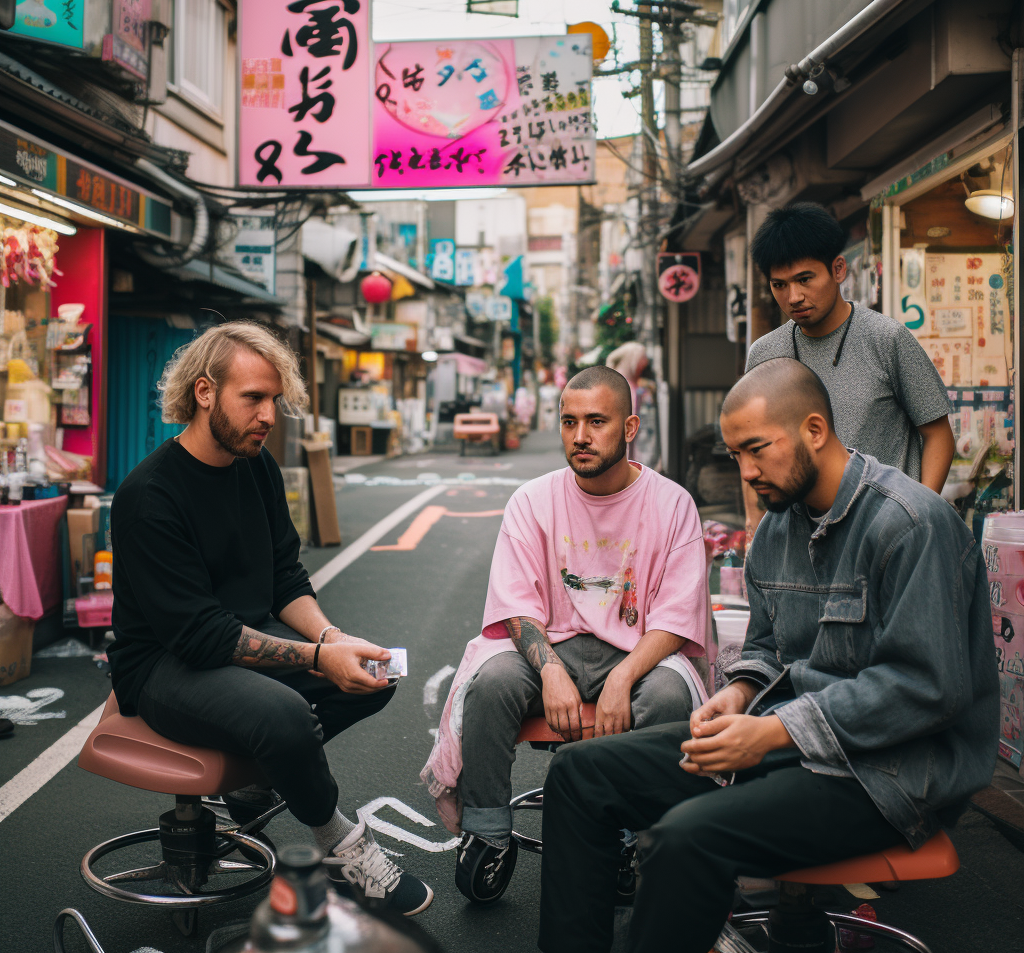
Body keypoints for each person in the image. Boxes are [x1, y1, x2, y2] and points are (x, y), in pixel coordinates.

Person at [538, 357, 998, 953]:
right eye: (736, 456)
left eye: (757, 449)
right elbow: (763, 649)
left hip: (888, 775)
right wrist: (736, 695)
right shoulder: (779, 525)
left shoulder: (911, 525)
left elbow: (925, 688)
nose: (747, 472)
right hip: (788, 749)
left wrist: (772, 732)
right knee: (580, 772)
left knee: (684, 839)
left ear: (814, 429)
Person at [107, 321, 433, 916]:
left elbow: (285, 577)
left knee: (376, 672)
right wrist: (315, 658)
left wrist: (334, 639)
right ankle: (338, 846)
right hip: (164, 664)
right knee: (284, 716)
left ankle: (258, 783)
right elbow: (201, 636)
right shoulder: (147, 496)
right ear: (204, 392)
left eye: (274, 401)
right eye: (252, 398)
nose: (268, 416)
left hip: (242, 641)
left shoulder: (253, 464)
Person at [421, 365, 712, 902]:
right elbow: (515, 604)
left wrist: (624, 676)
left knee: (671, 696)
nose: (580, 436)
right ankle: (488, 833)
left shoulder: (673, 504)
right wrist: (550, 669)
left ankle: (631, 833)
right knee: (489, 685)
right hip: (550, 644)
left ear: (629, 427)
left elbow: (675, 616)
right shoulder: (532, 500)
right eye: (569, 422)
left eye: (596, 421)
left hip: (636, 649)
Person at [743, 202, 954, 535]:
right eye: (779, 285)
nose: (794, 296)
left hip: (886, 531)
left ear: (838, 270)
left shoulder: (886, 338)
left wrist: (922, 512)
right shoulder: (765, 354)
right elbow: (750, 447)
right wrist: (756, 524)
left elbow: (938, 433)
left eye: (804, 279)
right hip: (799, 537)